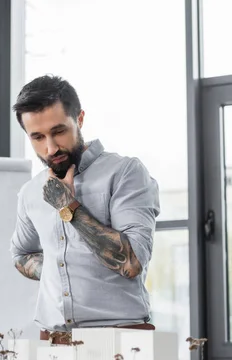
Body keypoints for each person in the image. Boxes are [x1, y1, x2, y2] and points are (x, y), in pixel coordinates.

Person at [10, 75, 160, 344]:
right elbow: (21, 254)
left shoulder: (124, 173)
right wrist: (61, 267)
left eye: (59, 131)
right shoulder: (31, 192)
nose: (51, 147)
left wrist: (68, 207)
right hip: (52, 341)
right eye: (38, 137)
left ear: (79, 120)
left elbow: (134, 262)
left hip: (121, 339)